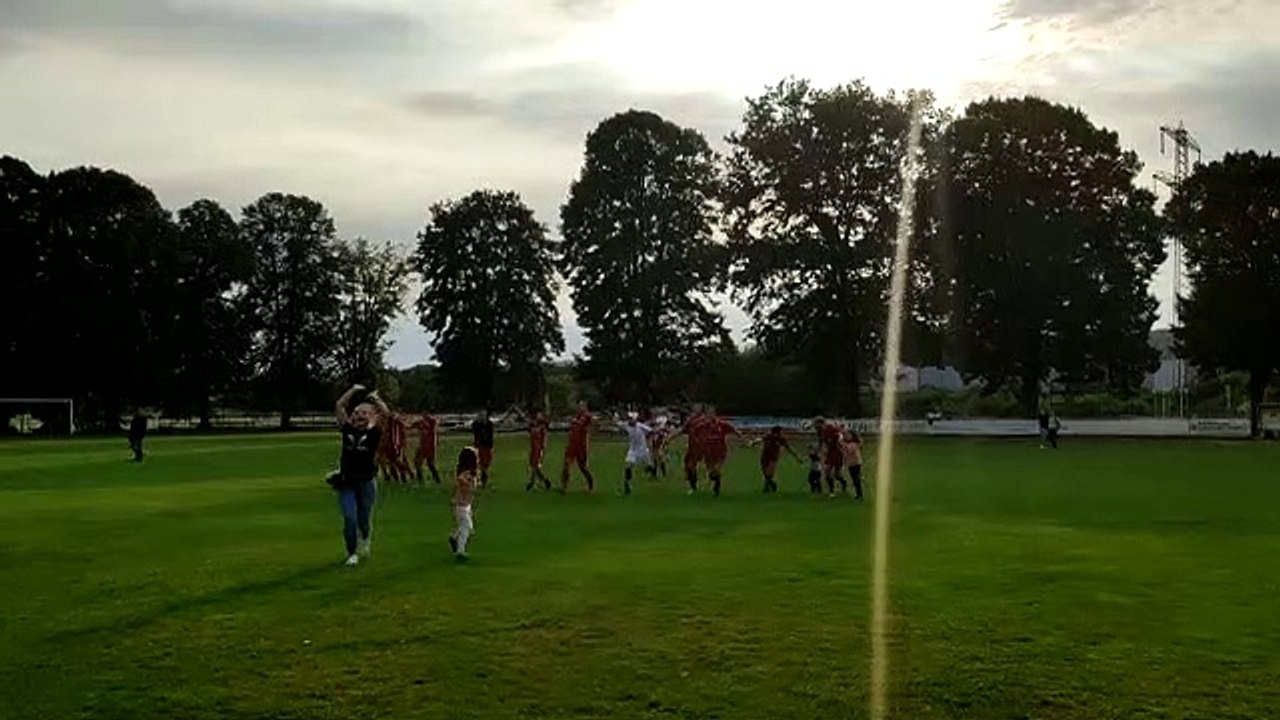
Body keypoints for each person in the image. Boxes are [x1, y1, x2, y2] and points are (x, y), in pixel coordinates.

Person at [332, 384, 386, 566]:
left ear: (372, 417)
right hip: (347, 482)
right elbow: (339, 405)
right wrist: (354, 390)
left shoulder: (374, 434)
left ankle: (365, 537)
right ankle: (351, 553)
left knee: (364, 518)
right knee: (349, 518)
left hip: (367, 483)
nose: (359, 415)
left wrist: (376, 400)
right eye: (356, 412)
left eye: (364, 413)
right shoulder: (347, 429)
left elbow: (386, 415)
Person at [700, 408, 741, 497]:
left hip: (720, 451)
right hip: (708, 452)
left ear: (714, 415)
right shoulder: (703, 426)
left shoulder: (722, 425)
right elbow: (695, 433)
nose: (710, 416)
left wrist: (741, 437)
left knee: (716, 469)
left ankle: (717, 486)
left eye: (711, 414)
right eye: (708, 415)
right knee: (711, 473)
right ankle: (716, 481)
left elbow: (734, 431)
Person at [449, 446, 480, 561]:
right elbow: (459, 480)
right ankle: (460, 551)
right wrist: (466, 482)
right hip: (461, 505)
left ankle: (454, 537)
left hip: (466, 505)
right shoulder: (466, 473)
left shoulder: (471, 474)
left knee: (468, 527)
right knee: (466, 527)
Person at [561, 402, 597, 493]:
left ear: (585, 407)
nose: (580, 408)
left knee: (583, 467)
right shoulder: (576, 416)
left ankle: (590, 485)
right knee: (566, 465)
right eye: (579, 406)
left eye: (582, 406)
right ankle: (564, 487)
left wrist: (590, 430)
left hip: (581, 446)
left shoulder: (587, 416)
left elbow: (594, 423)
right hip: (572, 445)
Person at [752, 425, 800, 494]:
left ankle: (769, 487)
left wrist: (797, 457)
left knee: (770, 474)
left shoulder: (782, 439)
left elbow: (789, 448)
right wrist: (753, 442)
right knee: (766, 475)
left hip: (773, 458)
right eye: (779, 432)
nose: (780, 434)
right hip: (764, 457)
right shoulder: (769, 436)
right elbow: (760, 439)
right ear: (774, 432)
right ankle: (768, 486)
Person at [617, 412, 653, 495]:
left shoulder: (641, 426)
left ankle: (650, 469)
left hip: (643, 450)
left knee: (648, 465)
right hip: (633, 449)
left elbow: (651, 431)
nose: (630, 421)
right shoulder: (626, 425)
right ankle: (627, 484)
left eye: (632, 419)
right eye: (629, 419)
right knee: (628, 465)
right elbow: (617, 423)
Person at [818, 417, 848, 496]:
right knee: (827, 472)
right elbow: (823, 442)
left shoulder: (831, 429)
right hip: (830, 453)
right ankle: (832, 491)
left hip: (837, 453)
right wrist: (822, 450)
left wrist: (843, 448)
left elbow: (840, 437)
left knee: (836, 474)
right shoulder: (821, 431)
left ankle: (844, 483)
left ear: (820, 423)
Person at [525, 410, 552, 492]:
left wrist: (543, 448)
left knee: (535, 466)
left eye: (540, 415)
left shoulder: (543, 427)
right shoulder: (533, 426)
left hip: (539, 449)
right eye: (537, 415)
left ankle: (532, 483)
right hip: (533, 449)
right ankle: (545, 481)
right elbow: (529, 430)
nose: (538, 416)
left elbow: (545, 438)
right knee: (534, 467)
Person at [412, 411, 441, 484]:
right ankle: (436, 479)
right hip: (426, 445)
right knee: (428, 464)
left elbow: (435, 431)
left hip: (427, 446)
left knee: (419, 463)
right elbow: (410, 426)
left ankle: (422, 480)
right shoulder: (422, 422)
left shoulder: (431, 422)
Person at [471, 410, 496, 486]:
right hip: (480, 446)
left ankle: (482, 478)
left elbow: (490, 435)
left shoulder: (489, 424)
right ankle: (480, 480)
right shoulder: (477, 424)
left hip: (487, 446)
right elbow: (475, 430)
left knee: (485, 465)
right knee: (480, 464)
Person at [843, 429, 865, 500]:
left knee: (856, 479)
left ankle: (859, 494)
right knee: (853, 479)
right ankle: (857, 493)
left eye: (848, 435)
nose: (847, 436)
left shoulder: (854, 444)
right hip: (850, 463)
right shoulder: (848, 444)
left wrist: (844, 445)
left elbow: (850, 451)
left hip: (856, 463)